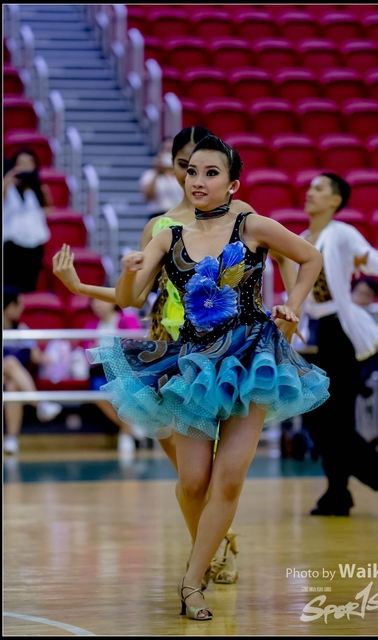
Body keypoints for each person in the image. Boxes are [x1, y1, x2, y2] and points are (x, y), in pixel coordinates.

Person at [86, 134, 330, 620]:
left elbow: (310, 258)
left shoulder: (251, 225)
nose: (198, 180)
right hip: (192, 363)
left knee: (229, 479)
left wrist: (294, 304)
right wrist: (129, 270)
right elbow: (130, 297)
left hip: (251, 358)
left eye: (211, 173)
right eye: (192, 171)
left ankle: (192, 582)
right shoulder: (167, 236)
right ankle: (208, 557)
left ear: (232, 184)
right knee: (193, 481)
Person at [285, 172, 378, 517]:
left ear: (335, 200)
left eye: (319, 189)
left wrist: (363, 259)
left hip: (341, 332)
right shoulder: (301, 239)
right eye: (310, 188)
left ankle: (355, 485)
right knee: (318, 419)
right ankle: (353, 485)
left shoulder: (342, 233)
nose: (310, 193)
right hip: (317, 332)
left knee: (333, 419)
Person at [3, 286, 62, 454]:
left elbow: (36, 356)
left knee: (13, 386)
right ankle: (40, 404)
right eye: (18, 304)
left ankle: (11, 440)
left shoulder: (22, 330)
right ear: (8, 307)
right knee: (10, 362)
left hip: (12, 380)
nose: (22, 308)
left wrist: (49, 358)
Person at [83, 298, 143, 455]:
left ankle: (125, 434)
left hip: (125, 369)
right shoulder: (90, 326)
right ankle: (130, 428)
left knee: (125, 391)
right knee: (98, 392)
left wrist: (104, 351)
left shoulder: (127, 320)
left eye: (101, 300)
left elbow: (135, 345)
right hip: (100, 371)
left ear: (112, 302)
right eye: (94, 302)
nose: (98, 305)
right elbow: (88, 356)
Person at [3, 149, 54, 293]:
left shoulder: (40, 188)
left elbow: (50, 208)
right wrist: (7, 180)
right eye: (21, 163)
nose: (24, 167)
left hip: (34, 244)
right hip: (12, 244)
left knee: (29, 286)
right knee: (9, 288)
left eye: (28, 163)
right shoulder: (7, 186)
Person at [139, 138, 184, 219]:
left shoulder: (183, 174)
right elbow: (147, 196)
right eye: (167, 150)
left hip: (179, 215)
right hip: (158, 215)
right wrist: (157, 171)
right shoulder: (150, 174)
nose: (169, 153)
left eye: (172, 150)